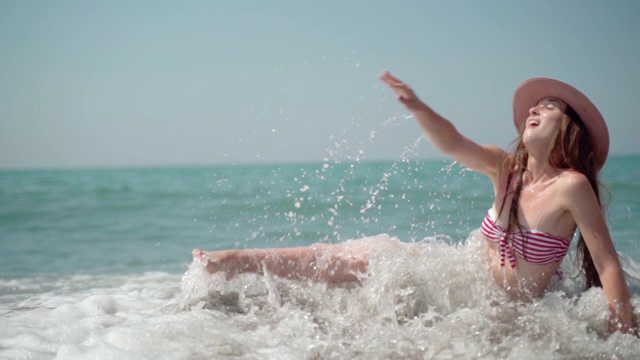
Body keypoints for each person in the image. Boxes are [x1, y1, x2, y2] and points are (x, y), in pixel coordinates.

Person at [192, 71, 636, 334]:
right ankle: (235, 260)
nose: (535, 110)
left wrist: (624, 337)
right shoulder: (506, 170)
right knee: (358, 256)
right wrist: (419, 108)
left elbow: (607, 262)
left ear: (569, 127)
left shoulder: (572, 186)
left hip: (513, 310)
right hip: (465, 278)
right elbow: (454, 143)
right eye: (532, 107)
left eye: (550, 106)